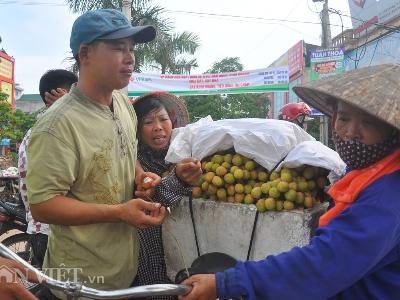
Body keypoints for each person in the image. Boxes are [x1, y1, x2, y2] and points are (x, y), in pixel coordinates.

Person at [180, 64, 400, 300]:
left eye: (367, 122)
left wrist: (228, 283)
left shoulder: (386, 195)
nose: (350, 132)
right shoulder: (365, 173)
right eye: (344, 118)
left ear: (391, 130)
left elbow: (323, 265)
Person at [25, 9, 166, 300]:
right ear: (85, 53)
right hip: (80, 283)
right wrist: (118, 212)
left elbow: (127, 152)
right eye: (118, 48)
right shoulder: (57, 126)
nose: (130, 57)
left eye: (131, 48)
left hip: (124, 272)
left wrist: (140, 177)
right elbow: (42, 205)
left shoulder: (123, 104)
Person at [132, 92, 202, 299]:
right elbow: (149, 203)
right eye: (148, 122)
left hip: (191, 251)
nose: (158, 127)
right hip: (153, 257)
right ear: (136, 130)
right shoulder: (134, 164)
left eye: (163, 119)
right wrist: (178, 179)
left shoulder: (188, 154)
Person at [18, 69, 78, 268]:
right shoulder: (52, 132)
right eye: (75, 95)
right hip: (53, 234)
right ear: (58, 95)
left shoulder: (36, 130)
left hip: (42, 231)